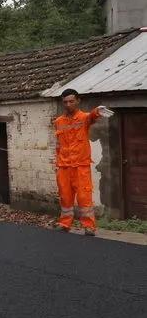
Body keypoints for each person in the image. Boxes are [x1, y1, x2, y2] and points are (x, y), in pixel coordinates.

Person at [53, 89, 113, 236]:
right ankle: (64, 223)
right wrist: (57, 160)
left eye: (71, 101)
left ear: (78, 101)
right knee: (65, 197)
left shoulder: (84, 118)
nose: (68, 104)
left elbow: (91, 116)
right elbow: (58, 144)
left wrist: (97, 111)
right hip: (64, 166)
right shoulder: (58, 122)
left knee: (84, 197)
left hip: (80, 166)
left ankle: (89, 226)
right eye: (65, 102)